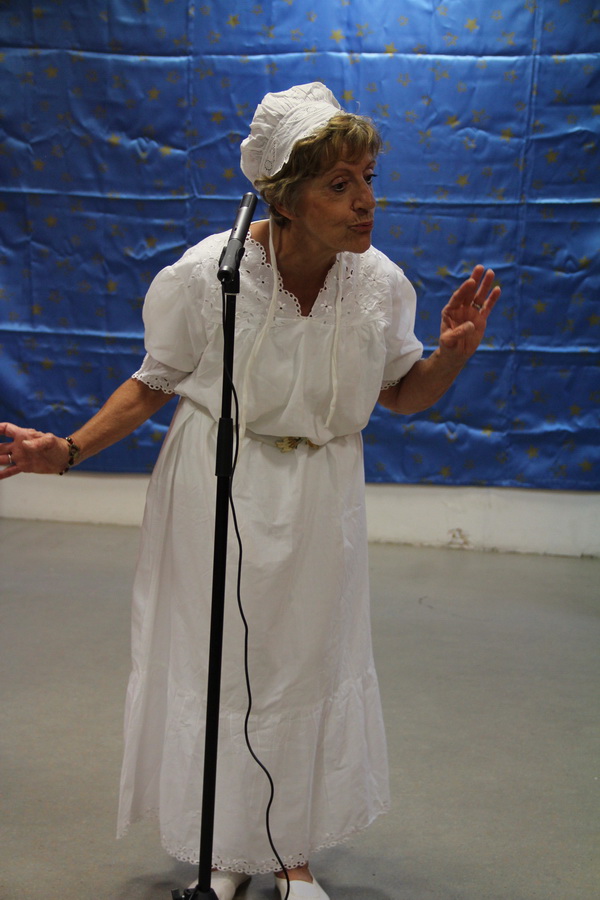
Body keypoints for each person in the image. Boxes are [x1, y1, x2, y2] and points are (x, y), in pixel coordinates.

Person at [0, 82, 500, 900]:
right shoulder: (212, 273)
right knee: (221, 665)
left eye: (369, 178)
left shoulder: (379, 283)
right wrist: (69, 451)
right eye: (340, 184)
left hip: (323, 492)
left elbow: (402, 393)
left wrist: (451, 356)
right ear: (286, 197)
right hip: (217, 479)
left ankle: (291, 852)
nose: (366, 201)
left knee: (303, 665)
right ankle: (226, 847)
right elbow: (153, 382)